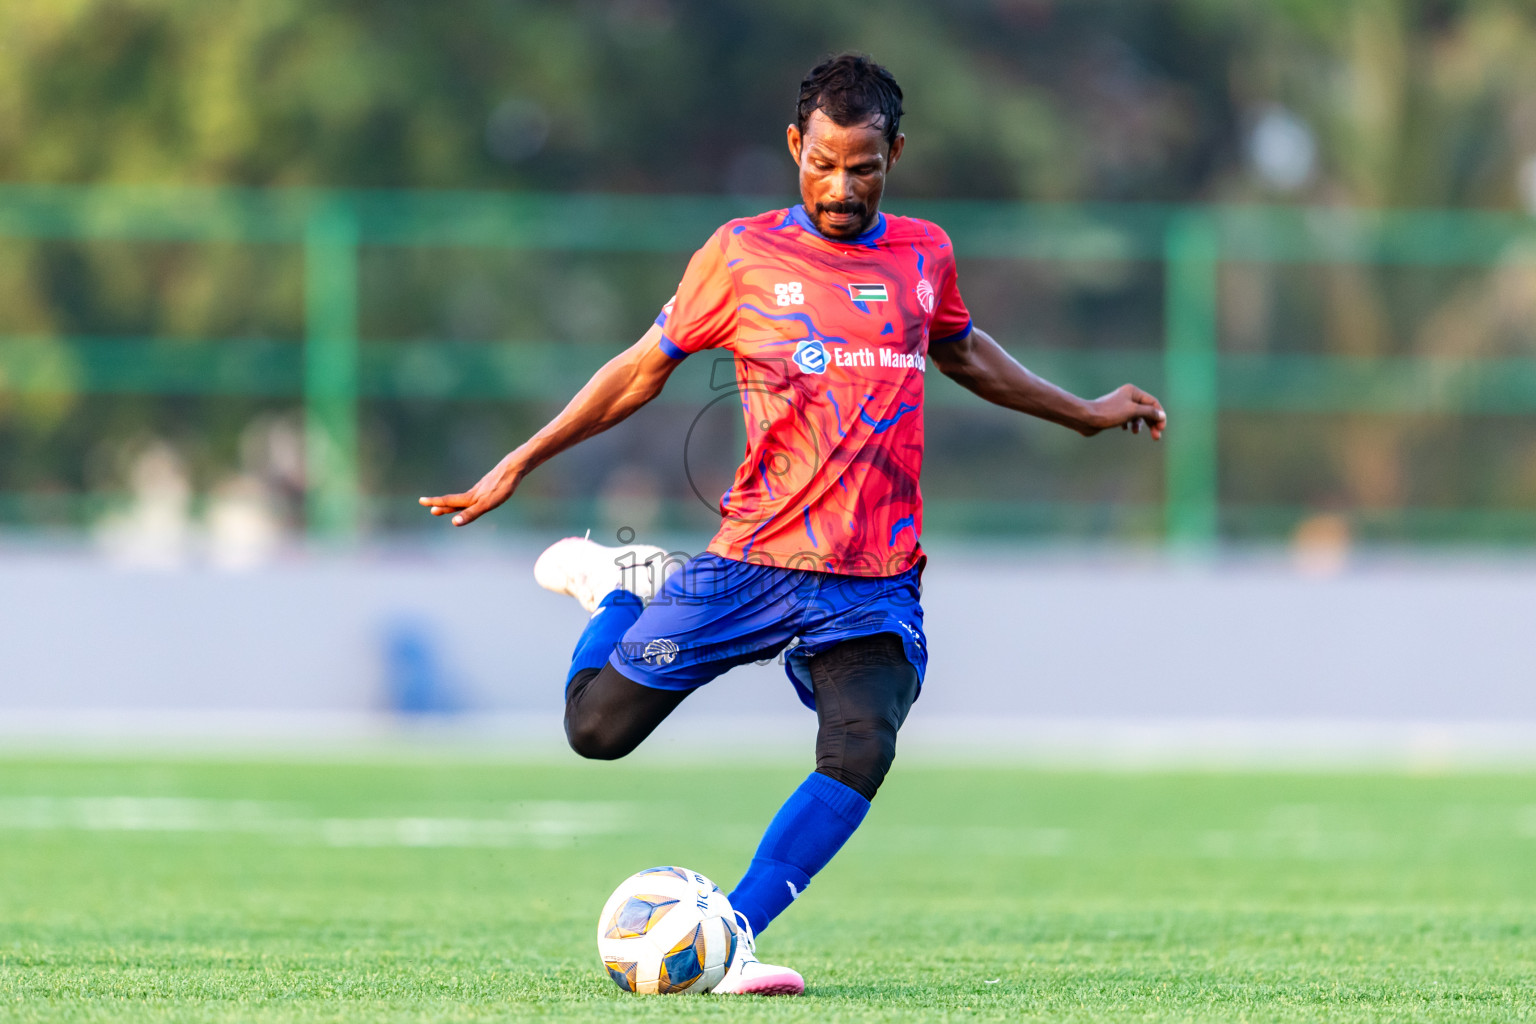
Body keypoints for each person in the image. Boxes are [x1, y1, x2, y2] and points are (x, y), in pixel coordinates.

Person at [421, 53, 1165, 996]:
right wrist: (519, 462)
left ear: (894, 153)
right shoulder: (738, 255)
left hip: (873, 578)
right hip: (753, 562)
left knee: (862, 747)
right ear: (794, 148)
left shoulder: (924, 255)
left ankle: (732, 930)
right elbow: (637, 371)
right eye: (821, 164)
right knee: (595, 732)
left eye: (863, 167)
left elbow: (966, 354)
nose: (840, 187)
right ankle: (616, 589)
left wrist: (1087, 411)